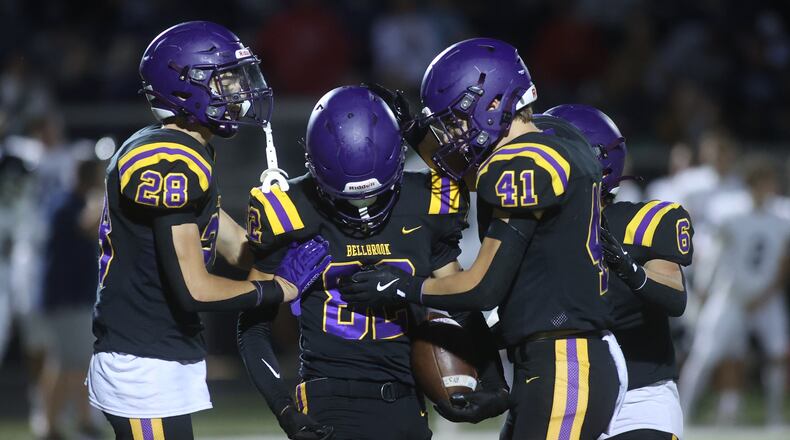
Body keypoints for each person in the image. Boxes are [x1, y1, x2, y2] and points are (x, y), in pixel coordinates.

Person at [338, 38, 624, 440]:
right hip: (561, 357)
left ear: (493, 103)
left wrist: (400, 287)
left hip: (565, 361)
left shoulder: (520, 165)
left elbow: (482, 287)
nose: (452, 133)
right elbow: (472, 174)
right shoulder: (558, 138)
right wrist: (416, 133)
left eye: (456, 119)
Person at [86, 21, 330, 440]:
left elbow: (236, 247)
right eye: (226, 79)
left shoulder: (186, 149)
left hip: (161, 353)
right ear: (185, 87)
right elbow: (194, 289)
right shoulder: (168, 161)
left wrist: (286, 240)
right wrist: (277, 290)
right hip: (143, 361)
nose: (239, 91)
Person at [238, 85, 509, 440]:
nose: (363, 211)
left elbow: (459, 302)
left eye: (375, 195)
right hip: (330, 399)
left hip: (407, 399)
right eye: (346, 199)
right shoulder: (287, 210)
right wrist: (284, 408)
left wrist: (494, 382)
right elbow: (252, 325)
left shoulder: (429, 201)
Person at [544, 104, 693, 440]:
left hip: (637, 399)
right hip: (559, 393)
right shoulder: (530, 229)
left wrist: (631, 270)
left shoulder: (644, 222)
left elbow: (674, 296)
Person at [679, 156, 789, 426]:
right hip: (730, 295)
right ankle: (682, 412)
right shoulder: (729, 212)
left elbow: (784, 261)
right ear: (751, 185)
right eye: (762, 183)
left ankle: (775, 418)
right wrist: (705, 285)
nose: (767, 189)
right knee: (704, 354)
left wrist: (768, 293)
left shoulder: (782, 215)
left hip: (766, 297)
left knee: (778, 353)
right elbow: (713, 252)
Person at [40, 159, 106, 439]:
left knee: (63, 361)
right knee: (77, 362)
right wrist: (104, 196)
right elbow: (88, 226)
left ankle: (50, 425)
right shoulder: (66, 204)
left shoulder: (72, 202)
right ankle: (82, 421)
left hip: (72, 295)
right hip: (67, 296)